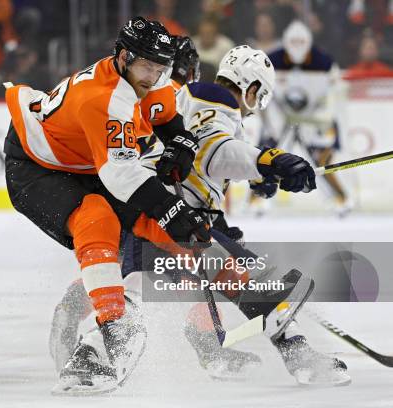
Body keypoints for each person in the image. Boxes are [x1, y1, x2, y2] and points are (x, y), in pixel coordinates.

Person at [49, 43, 349, 386]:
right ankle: (299, 357)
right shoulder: (213, 95)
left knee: (147, 287)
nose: (255, 109)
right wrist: (269, 160)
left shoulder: (189, 98)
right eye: (259, 97)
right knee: (250, 283)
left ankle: (88, 359)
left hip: (153, 211)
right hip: (171, 215)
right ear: (250, 88)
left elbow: (203, 160)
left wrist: (257, 176)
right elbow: (210, 151)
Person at [5, 17, 211, 395]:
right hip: (35, 164)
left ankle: (76, 306)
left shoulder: (150, 72)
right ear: (123, 57)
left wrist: (180, 142)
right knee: (98, 219)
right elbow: (121, 178)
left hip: (82, 159)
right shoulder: (105, 99)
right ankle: (114, 325)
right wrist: (171, 208)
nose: (154, 75)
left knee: (163, 227)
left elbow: (165, 117)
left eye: (160, 67)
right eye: (147, 66)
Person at [262, 20, 351, 216]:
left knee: (323, 159)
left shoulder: (324, 62)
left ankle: (341, 198)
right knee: (267, 155)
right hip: (283, 115)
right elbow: (264, 93)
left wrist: (323, 121)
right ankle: (259, 198)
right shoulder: (272, 60)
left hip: (315, 117)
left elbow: (333, 97)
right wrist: (272, 124)